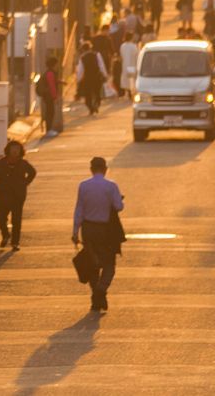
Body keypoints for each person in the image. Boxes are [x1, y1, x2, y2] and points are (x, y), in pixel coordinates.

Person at [71, 156, 125, 313]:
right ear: (105, 169)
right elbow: (119, 206)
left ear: (91, 169)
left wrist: (75, 232)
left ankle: (96, 295)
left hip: (88, 229)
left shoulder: (83, 186)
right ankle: (101, 290)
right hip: (106, 229)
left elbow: (79, 210)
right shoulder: (111, 186)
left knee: (92, 263)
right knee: (109, 264)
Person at [0, 140, 37, 249]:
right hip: (3, 196)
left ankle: (15, 242)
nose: (15, 152)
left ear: (20, 151)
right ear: (8, 150)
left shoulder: (23, 163)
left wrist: (25, 183)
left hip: (18, 196)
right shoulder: (1, 163)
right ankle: (5, 235)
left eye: (17, 149)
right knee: (1, 218)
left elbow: (32, 172)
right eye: (13, 149)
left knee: (16, 220)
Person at [77, 39, 108, 116]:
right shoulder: (97, 54)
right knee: (97, 93)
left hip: (87, 78)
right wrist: (105, 74)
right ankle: (96, 105)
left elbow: (80, 70)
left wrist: (79, 80)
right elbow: (101, 66)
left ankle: (91, 108)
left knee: (88, 95)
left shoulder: (82, 57)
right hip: (97, 77)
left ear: (83, 49)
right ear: (90, 47)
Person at [37, 53, 64, 134]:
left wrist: (60, 82)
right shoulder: (50, 73)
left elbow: (52, 83)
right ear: (54, 64)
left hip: (47, 96)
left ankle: (49, 129)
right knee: (50, 112)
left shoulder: (48, 72)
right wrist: (55, 97)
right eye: (56, 64)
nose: (57, 66)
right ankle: (49, 130)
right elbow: (52, 86)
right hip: (49, 96)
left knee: (50, 112)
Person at [118, 31, 139, 101]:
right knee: (131, 79)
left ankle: (127, 92)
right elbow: (137, 56)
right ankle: (131, 93)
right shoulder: (134, 46)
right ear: (131, 37)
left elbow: (121, 56)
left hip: (125, 65)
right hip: (132, 64)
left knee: (125, 79)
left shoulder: (122, 46)